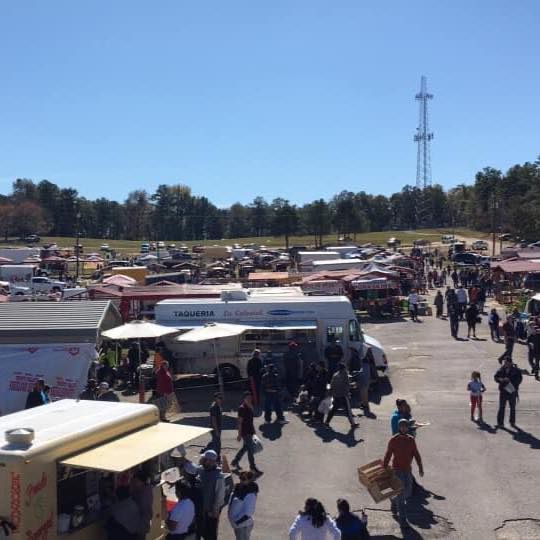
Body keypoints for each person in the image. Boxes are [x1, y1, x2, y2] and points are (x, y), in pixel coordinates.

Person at [383, 419, 424, 530]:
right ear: (399, 427)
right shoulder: (393, 440)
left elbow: (416, 454)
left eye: (405, 426)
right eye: (402, 426)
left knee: (408, 493)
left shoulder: (411, 440)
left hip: (407, 471)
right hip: (397, 471)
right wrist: (384, 468)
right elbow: (388, 455)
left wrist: (420, 468)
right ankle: (403, 522)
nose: (404, 428)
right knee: (401, 497)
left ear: (408, 428)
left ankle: (393, 500)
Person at [196, 450, 226, 540]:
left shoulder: (219, 476)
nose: (202, 460)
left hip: (210, 512)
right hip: (199, 510)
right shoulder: (200, 470)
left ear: (210, 461)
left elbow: (219, 496)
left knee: (210, 534)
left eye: (204, 459)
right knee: (199, 531)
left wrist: (215, 511)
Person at [231, 392, 261, 475]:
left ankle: (235, 461)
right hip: (245, 432)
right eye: (247, 398)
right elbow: (239, 422)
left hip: (250, 430)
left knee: (245, 448)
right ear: (244, 399)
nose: (249, 399)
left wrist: (254, 431)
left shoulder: (250, 406)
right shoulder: (242, 408)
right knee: (250, 450)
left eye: (250, 398)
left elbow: (251, 421)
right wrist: (239, 434)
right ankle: (252, 467)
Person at [228, 471, 259, 540]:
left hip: (243, 525)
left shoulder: (250, 494)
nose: (241, 480)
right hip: (237, 524)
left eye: (243, 479)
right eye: (240, 478)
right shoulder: (238, 488)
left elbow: (249, 512)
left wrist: (237, 522)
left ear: (250, 480)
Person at [325, 363, 357, 429]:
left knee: (333, 409)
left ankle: (327, 422)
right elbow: (347, 385)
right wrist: (353, 386)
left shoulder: (335, 375)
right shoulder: (345, 374)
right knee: (348, 410)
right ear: (344, 368)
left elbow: (332, 384)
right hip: (343, 395)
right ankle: (353, 424)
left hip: (336, 395)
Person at [494, 357, 523, 428]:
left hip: (512, 391)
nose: (505, 364)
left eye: (506, 362)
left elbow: (519, 380)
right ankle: (500, 423)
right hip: (503, 391)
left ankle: (512, 422)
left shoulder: (516, 370)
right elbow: (496, 377)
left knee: (512, 407)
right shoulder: (501, 369)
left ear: (510, 363)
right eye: (504, 362)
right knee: (501, 407)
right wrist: (501, 380)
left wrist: (510, 381)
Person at [131, 470, 154, 536]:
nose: (133, 482)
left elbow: (143, 510)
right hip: (142, 525)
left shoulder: (143, 495)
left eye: (135, 481)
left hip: (140, 526)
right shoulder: (146, 489)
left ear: (141, 481)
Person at [209, 392, 223, 458]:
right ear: (215, 399)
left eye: (221, 398)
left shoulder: (218, 405)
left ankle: (207, 450)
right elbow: (213, 420)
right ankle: (216, 457)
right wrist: (217, 430)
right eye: (219, 398)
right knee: (217, 444)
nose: (221, 399)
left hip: (217, 427)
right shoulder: (214, 407)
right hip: (215, 428)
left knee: (215, 442)